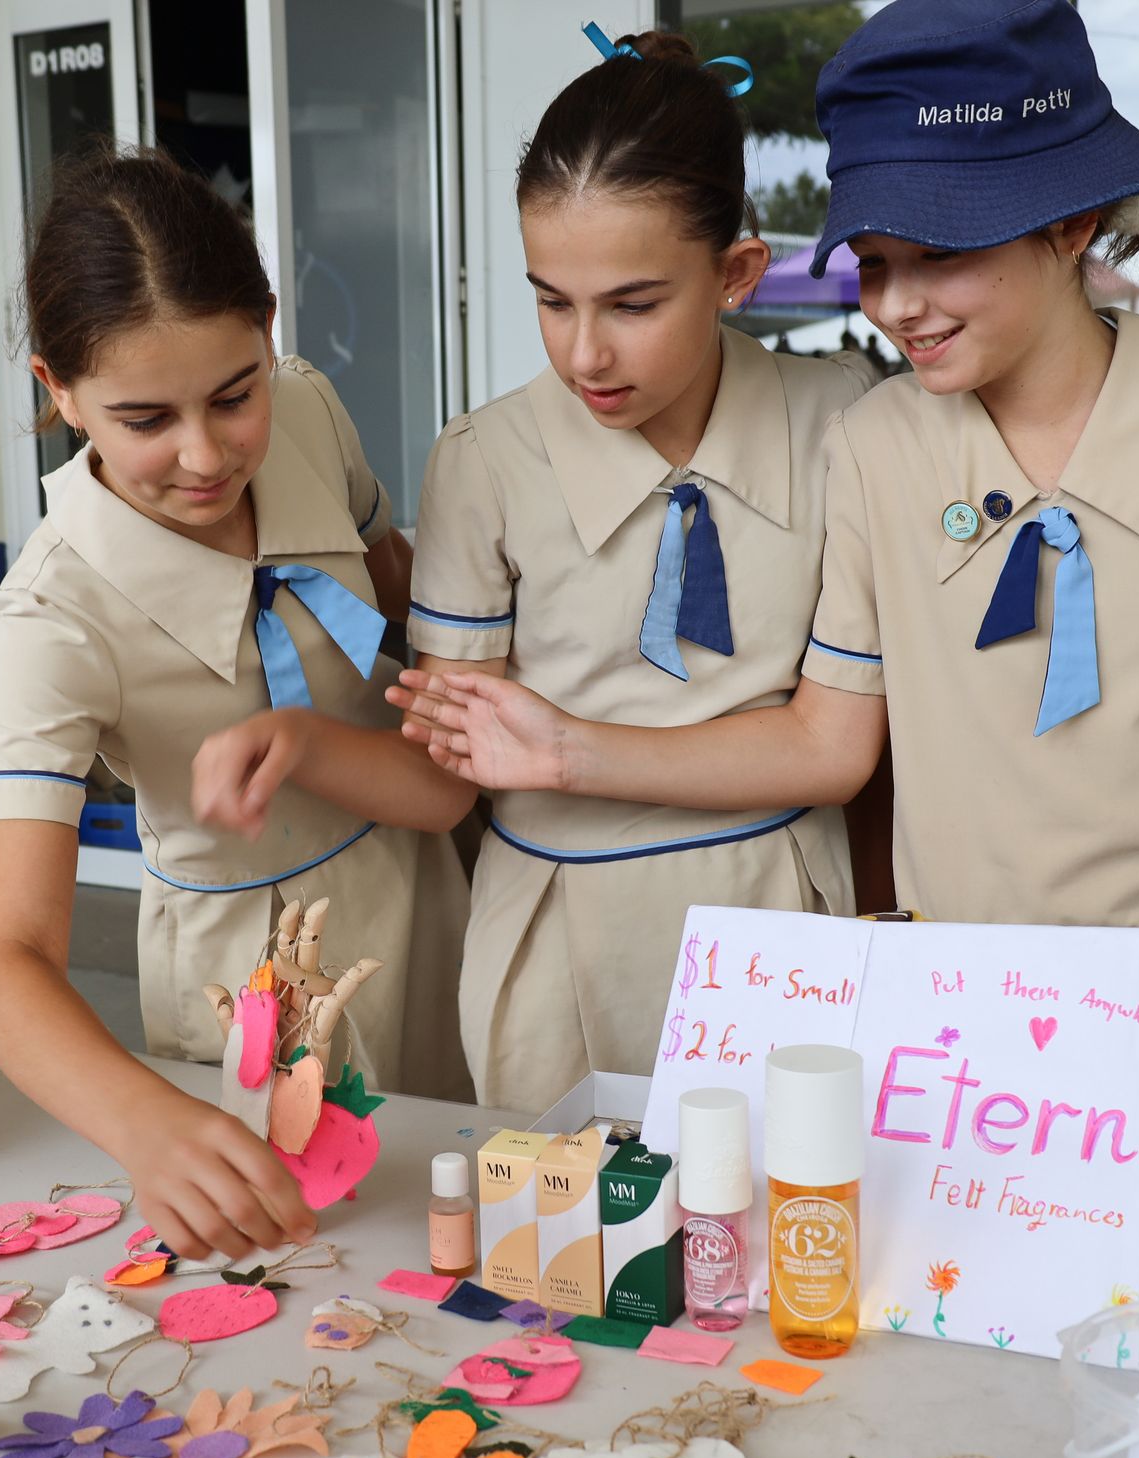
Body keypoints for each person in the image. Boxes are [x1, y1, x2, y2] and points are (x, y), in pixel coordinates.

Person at [397, 0, 1139, 942]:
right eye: (873, 262)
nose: (896, 306)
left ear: (1071, 224)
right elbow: (833, 743)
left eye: (939, 251)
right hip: (959, 1001)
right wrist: (563, 748)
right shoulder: (873, 445)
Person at [320, 28, 871, 1116]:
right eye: (551, 300)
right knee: (559, 1215)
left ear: (736, 274)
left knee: (793, 1209)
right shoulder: (484, 461)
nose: (584, 354)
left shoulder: (843, 423)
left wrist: (569, 751)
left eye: (632, 304)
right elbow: (456, 764)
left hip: (780, 923)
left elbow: (837, 749)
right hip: (553, 940)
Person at [0, 146, 469, 1261]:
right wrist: (145, 1121)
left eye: (234, 395)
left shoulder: (310, 416)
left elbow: (407, 622)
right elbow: (3, 956)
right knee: (298, 1264)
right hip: (237, 971)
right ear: (57, 390)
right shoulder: (49, 616)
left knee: (458, 1221)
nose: (203, 455)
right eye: (144, 418)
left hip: (421, 890)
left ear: (270, 332)